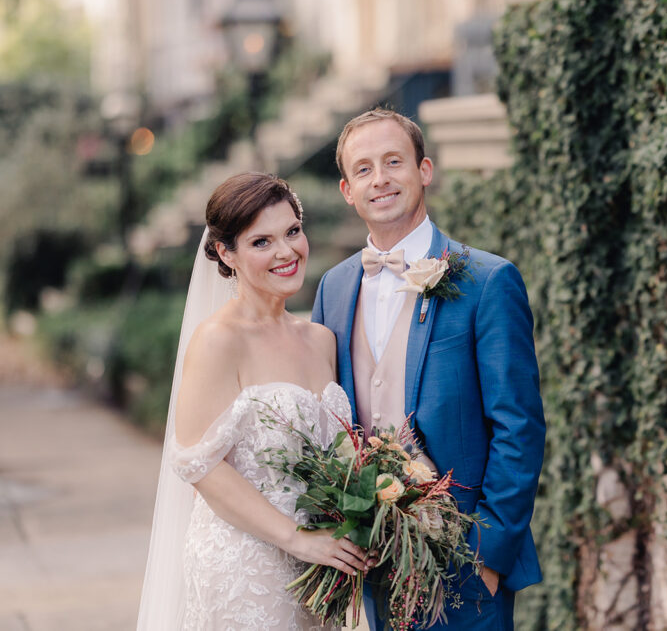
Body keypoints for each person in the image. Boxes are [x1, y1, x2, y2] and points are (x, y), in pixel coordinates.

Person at [312, 109, 546, 630]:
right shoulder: (333, 287)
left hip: (463, 563)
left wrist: (486, 555)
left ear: (425, 170)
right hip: (372, 561)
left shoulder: (488, 281)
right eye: (365, 169)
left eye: (394, 161)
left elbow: (519, 425)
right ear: (348, 190)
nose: (382, 179)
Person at [137, 172, 370, 630]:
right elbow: (200, 466)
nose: (286, 252)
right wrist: (297, 539)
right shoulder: (218, 340)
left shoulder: (321, 339)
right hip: (247, 567)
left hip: (319, 564)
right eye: (261, 242)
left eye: (292, 232)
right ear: (227, 254)